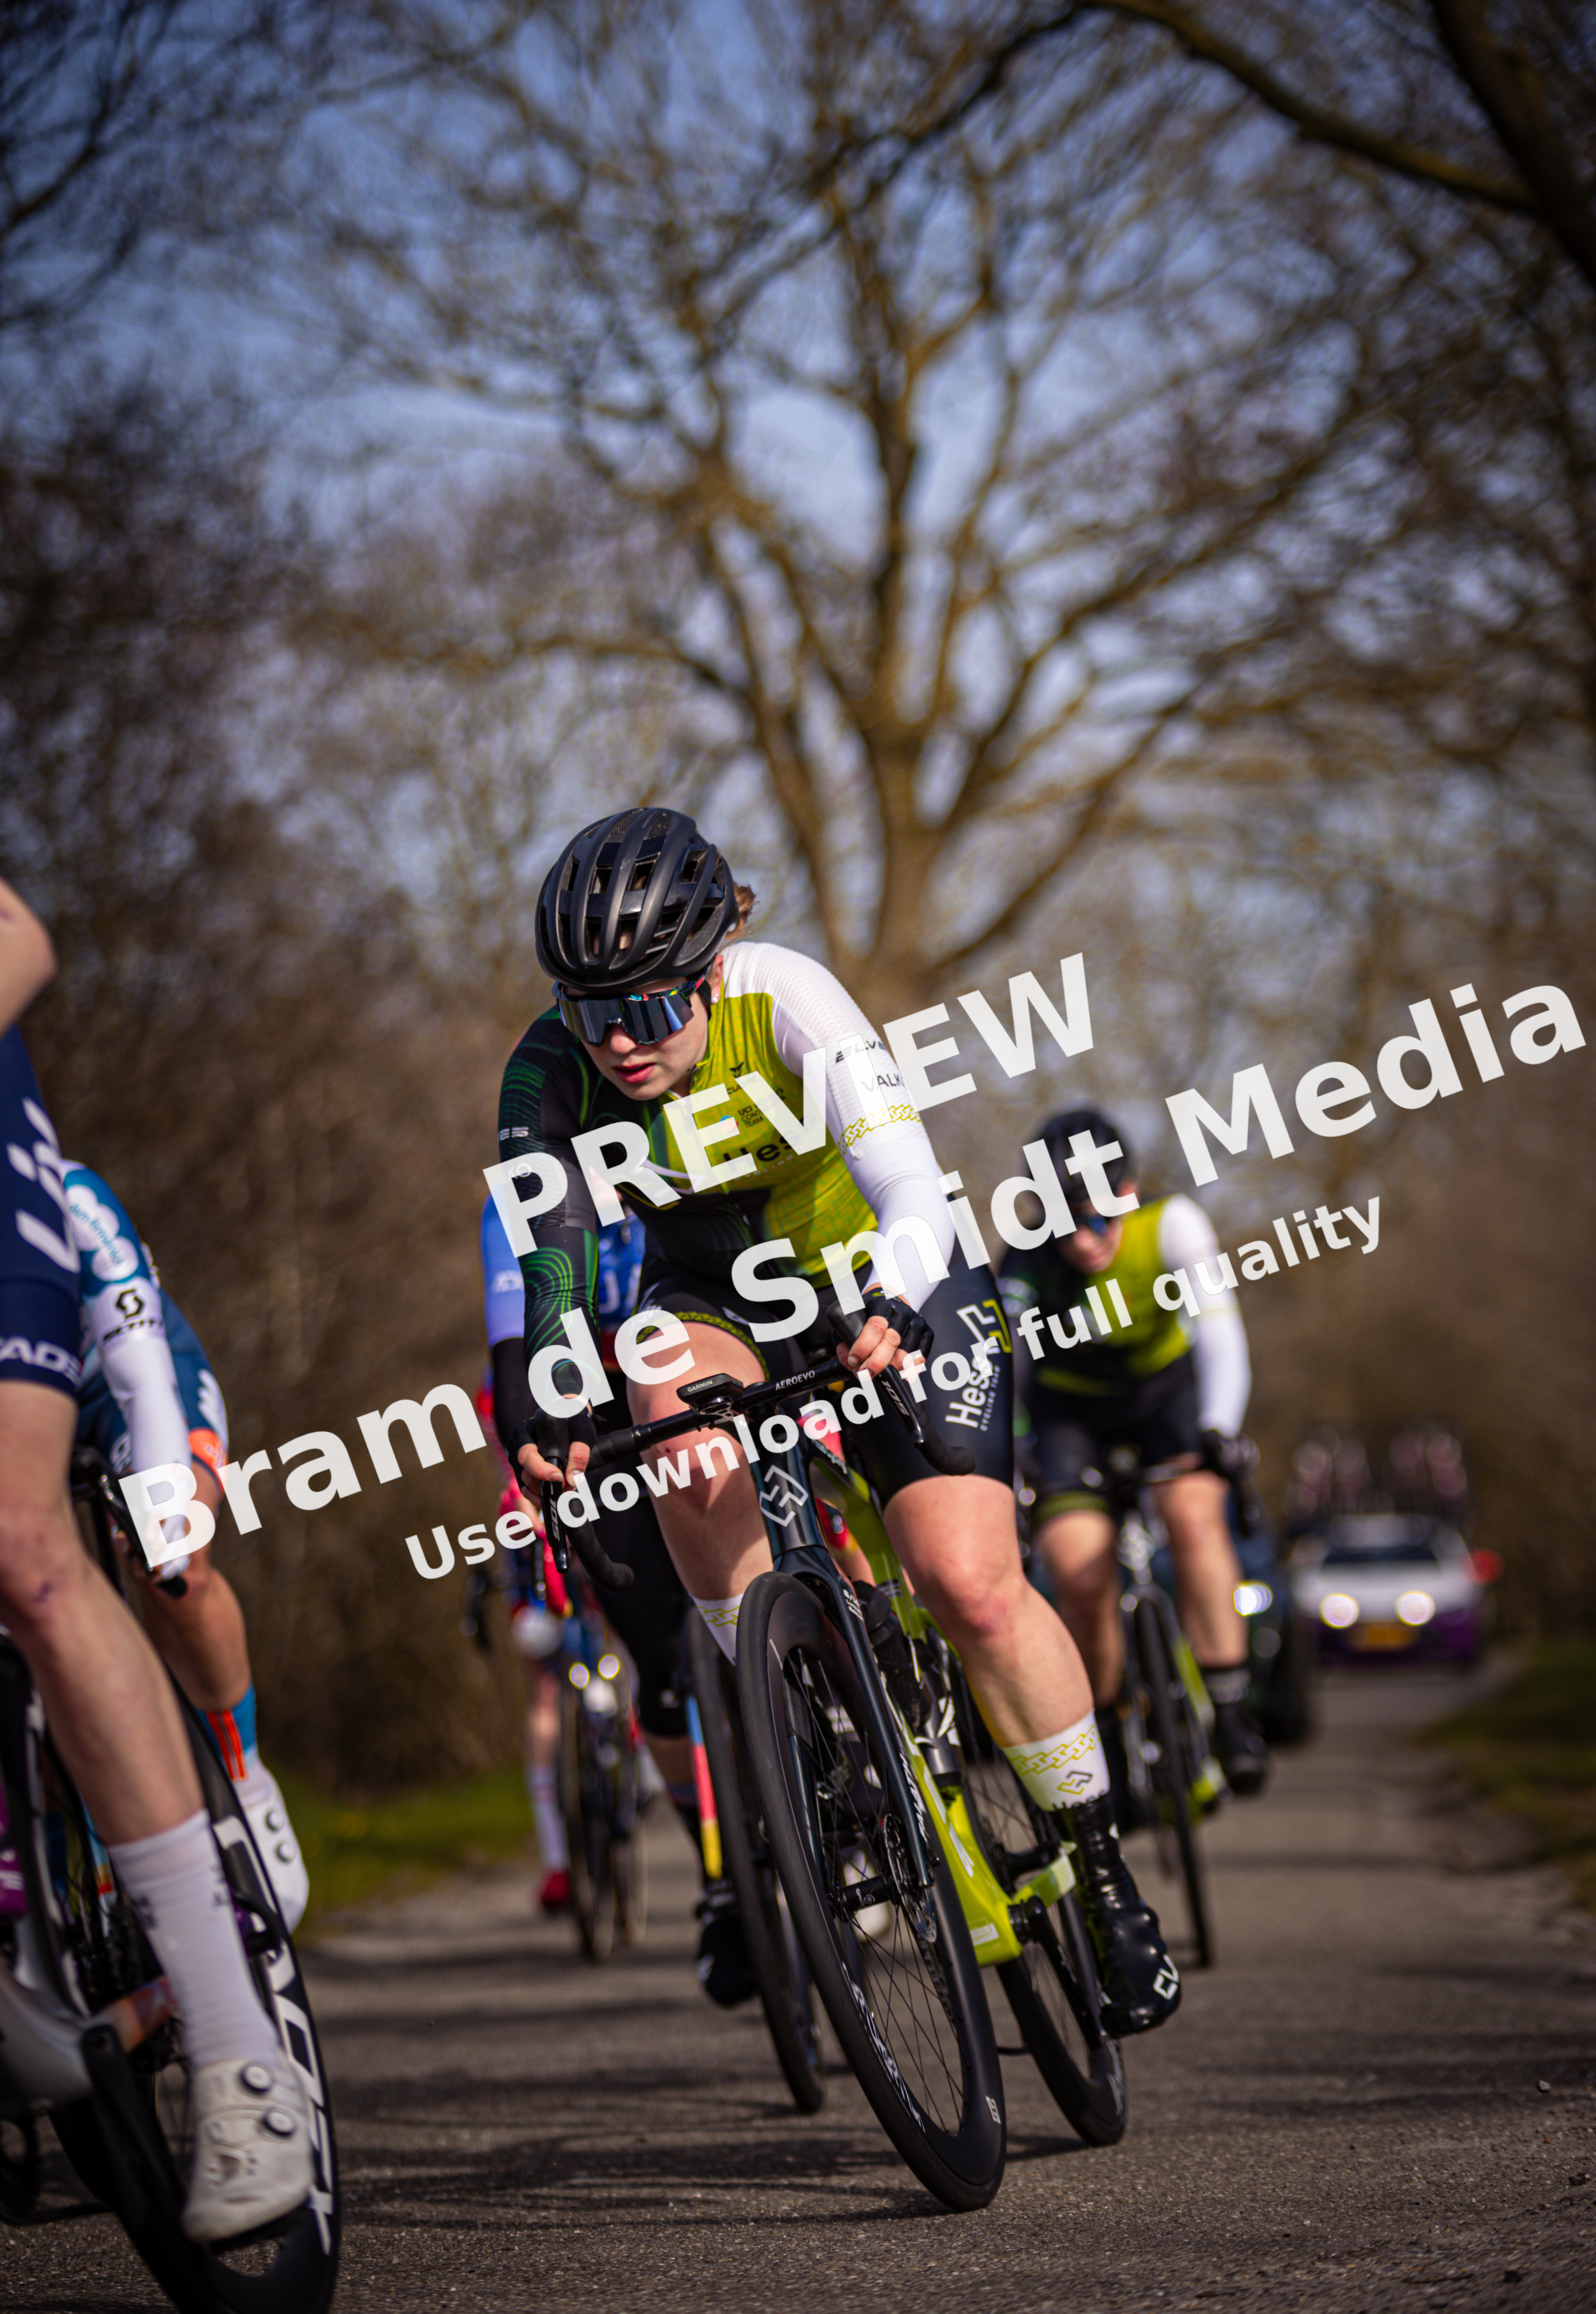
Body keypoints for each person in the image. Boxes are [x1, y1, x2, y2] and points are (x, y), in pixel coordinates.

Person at [497, 808, 1179, 2038]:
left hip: (886, 1271)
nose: (620, 1042)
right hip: (717, 1297)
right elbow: (550, 1276)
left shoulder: (785, 996)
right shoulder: (548, 1072)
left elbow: (908, 1176)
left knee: (966, 1581)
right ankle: (798, 1710)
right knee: (658, 1398)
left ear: (709, 975)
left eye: (651, 1009)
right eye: (590, 1009)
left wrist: (894, 1297)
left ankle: (1102, 1860)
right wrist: (546, 1393)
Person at [0, 876, 310, 2241]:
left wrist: (172, 1466)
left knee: (144, 1555)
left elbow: (132, 1346)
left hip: (111, 1344)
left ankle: (237, 1763)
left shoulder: (76, 1196)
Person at [480, 1189, 760, 2000]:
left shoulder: (672, 1141)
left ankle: (848, 1774)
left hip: (715, 1360)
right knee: (661, 1672)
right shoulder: (520, 1201)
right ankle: (720, 1876)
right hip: (592, 1412)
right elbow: (510, 1361)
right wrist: (530, 1457)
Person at [64, 1157, 310, 1928]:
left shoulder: (68, 1196)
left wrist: (165, 1525)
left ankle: (242, 1773)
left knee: (177, 1565)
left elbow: (144, 1384)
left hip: (127, 1384)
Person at [998, 1107, 1270, 1798]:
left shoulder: (1172, 1223)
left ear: (1129, 1191)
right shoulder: (1026, 1259)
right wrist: (1018, 1447)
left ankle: (1232, 1711)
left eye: (1099, 1219)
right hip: (1068, 1412)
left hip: (1164, 1398)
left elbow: (1219, 1333)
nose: (1085, 1241)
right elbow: (1014, 1365)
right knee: (1080, 1573)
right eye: (1067, 1224)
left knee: (1195, 1516)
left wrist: (1218, 1427)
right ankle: (1112, 1724)